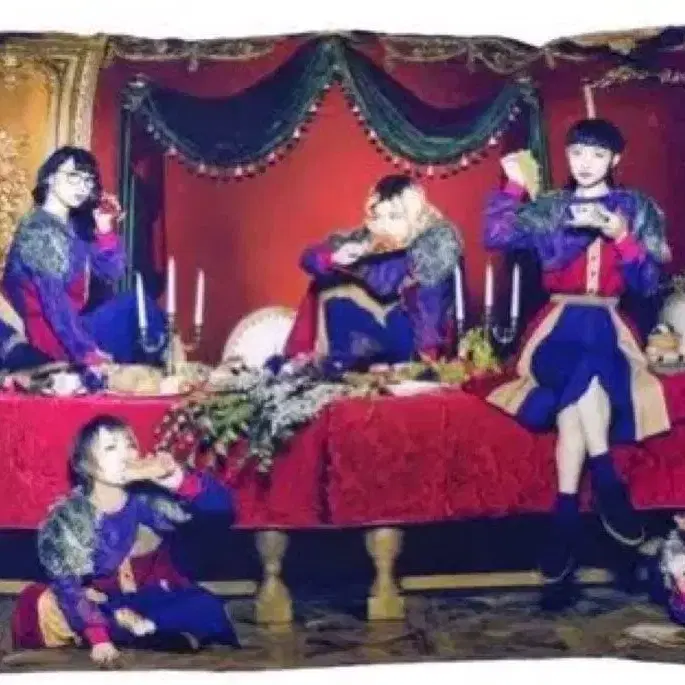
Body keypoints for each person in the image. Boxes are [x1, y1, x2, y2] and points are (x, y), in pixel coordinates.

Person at [466, 118, 673, 609]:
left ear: (615, 160)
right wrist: (513, 186)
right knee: (586, 364)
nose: (585, 163)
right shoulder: (551, 208)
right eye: (577, 152)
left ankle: (564, 519)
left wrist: (622, 236)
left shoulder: (633, 208)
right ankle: (606, 480)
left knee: (580, 394)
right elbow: (496, 236)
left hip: (610, 325)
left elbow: (647, 284)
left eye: (597, 154)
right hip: (555, 328)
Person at [10, 415, 239, 666]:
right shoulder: (69, 515)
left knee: (205, 605)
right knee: (40, 602)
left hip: (143, 599)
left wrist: (179, 480)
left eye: (129, 445)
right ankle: (137, 631)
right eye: (111, 448)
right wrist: (99, 638)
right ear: (86, 465)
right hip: (96, 603)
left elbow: (221, 514)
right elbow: (69, 587)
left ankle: (145, 629)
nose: (125, 455)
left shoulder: (148, 498)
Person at [0, 146, 166, 368]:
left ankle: (159, 371)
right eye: (74, 176)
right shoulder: (38, 230)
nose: (82, 186)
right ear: (50, 178)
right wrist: (86, 353)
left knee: (137, 306)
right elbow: (54, 303)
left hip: (73, 328)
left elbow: (111, 272)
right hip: (49, 337)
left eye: (88, 180)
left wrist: (104, 229)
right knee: (133, 309)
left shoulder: (72, 229)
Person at [284, 175, 464, 372]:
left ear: (416, 216)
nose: (384, 225)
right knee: (327, 284)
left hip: (412, 339)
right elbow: (308, 259)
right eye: (378, 216)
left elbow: (428, 308)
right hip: (366, 343)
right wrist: (334, 257)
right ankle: (322, 363)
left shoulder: (434, 243)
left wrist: (427, 361)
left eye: (394, 216)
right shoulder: (365, 239)